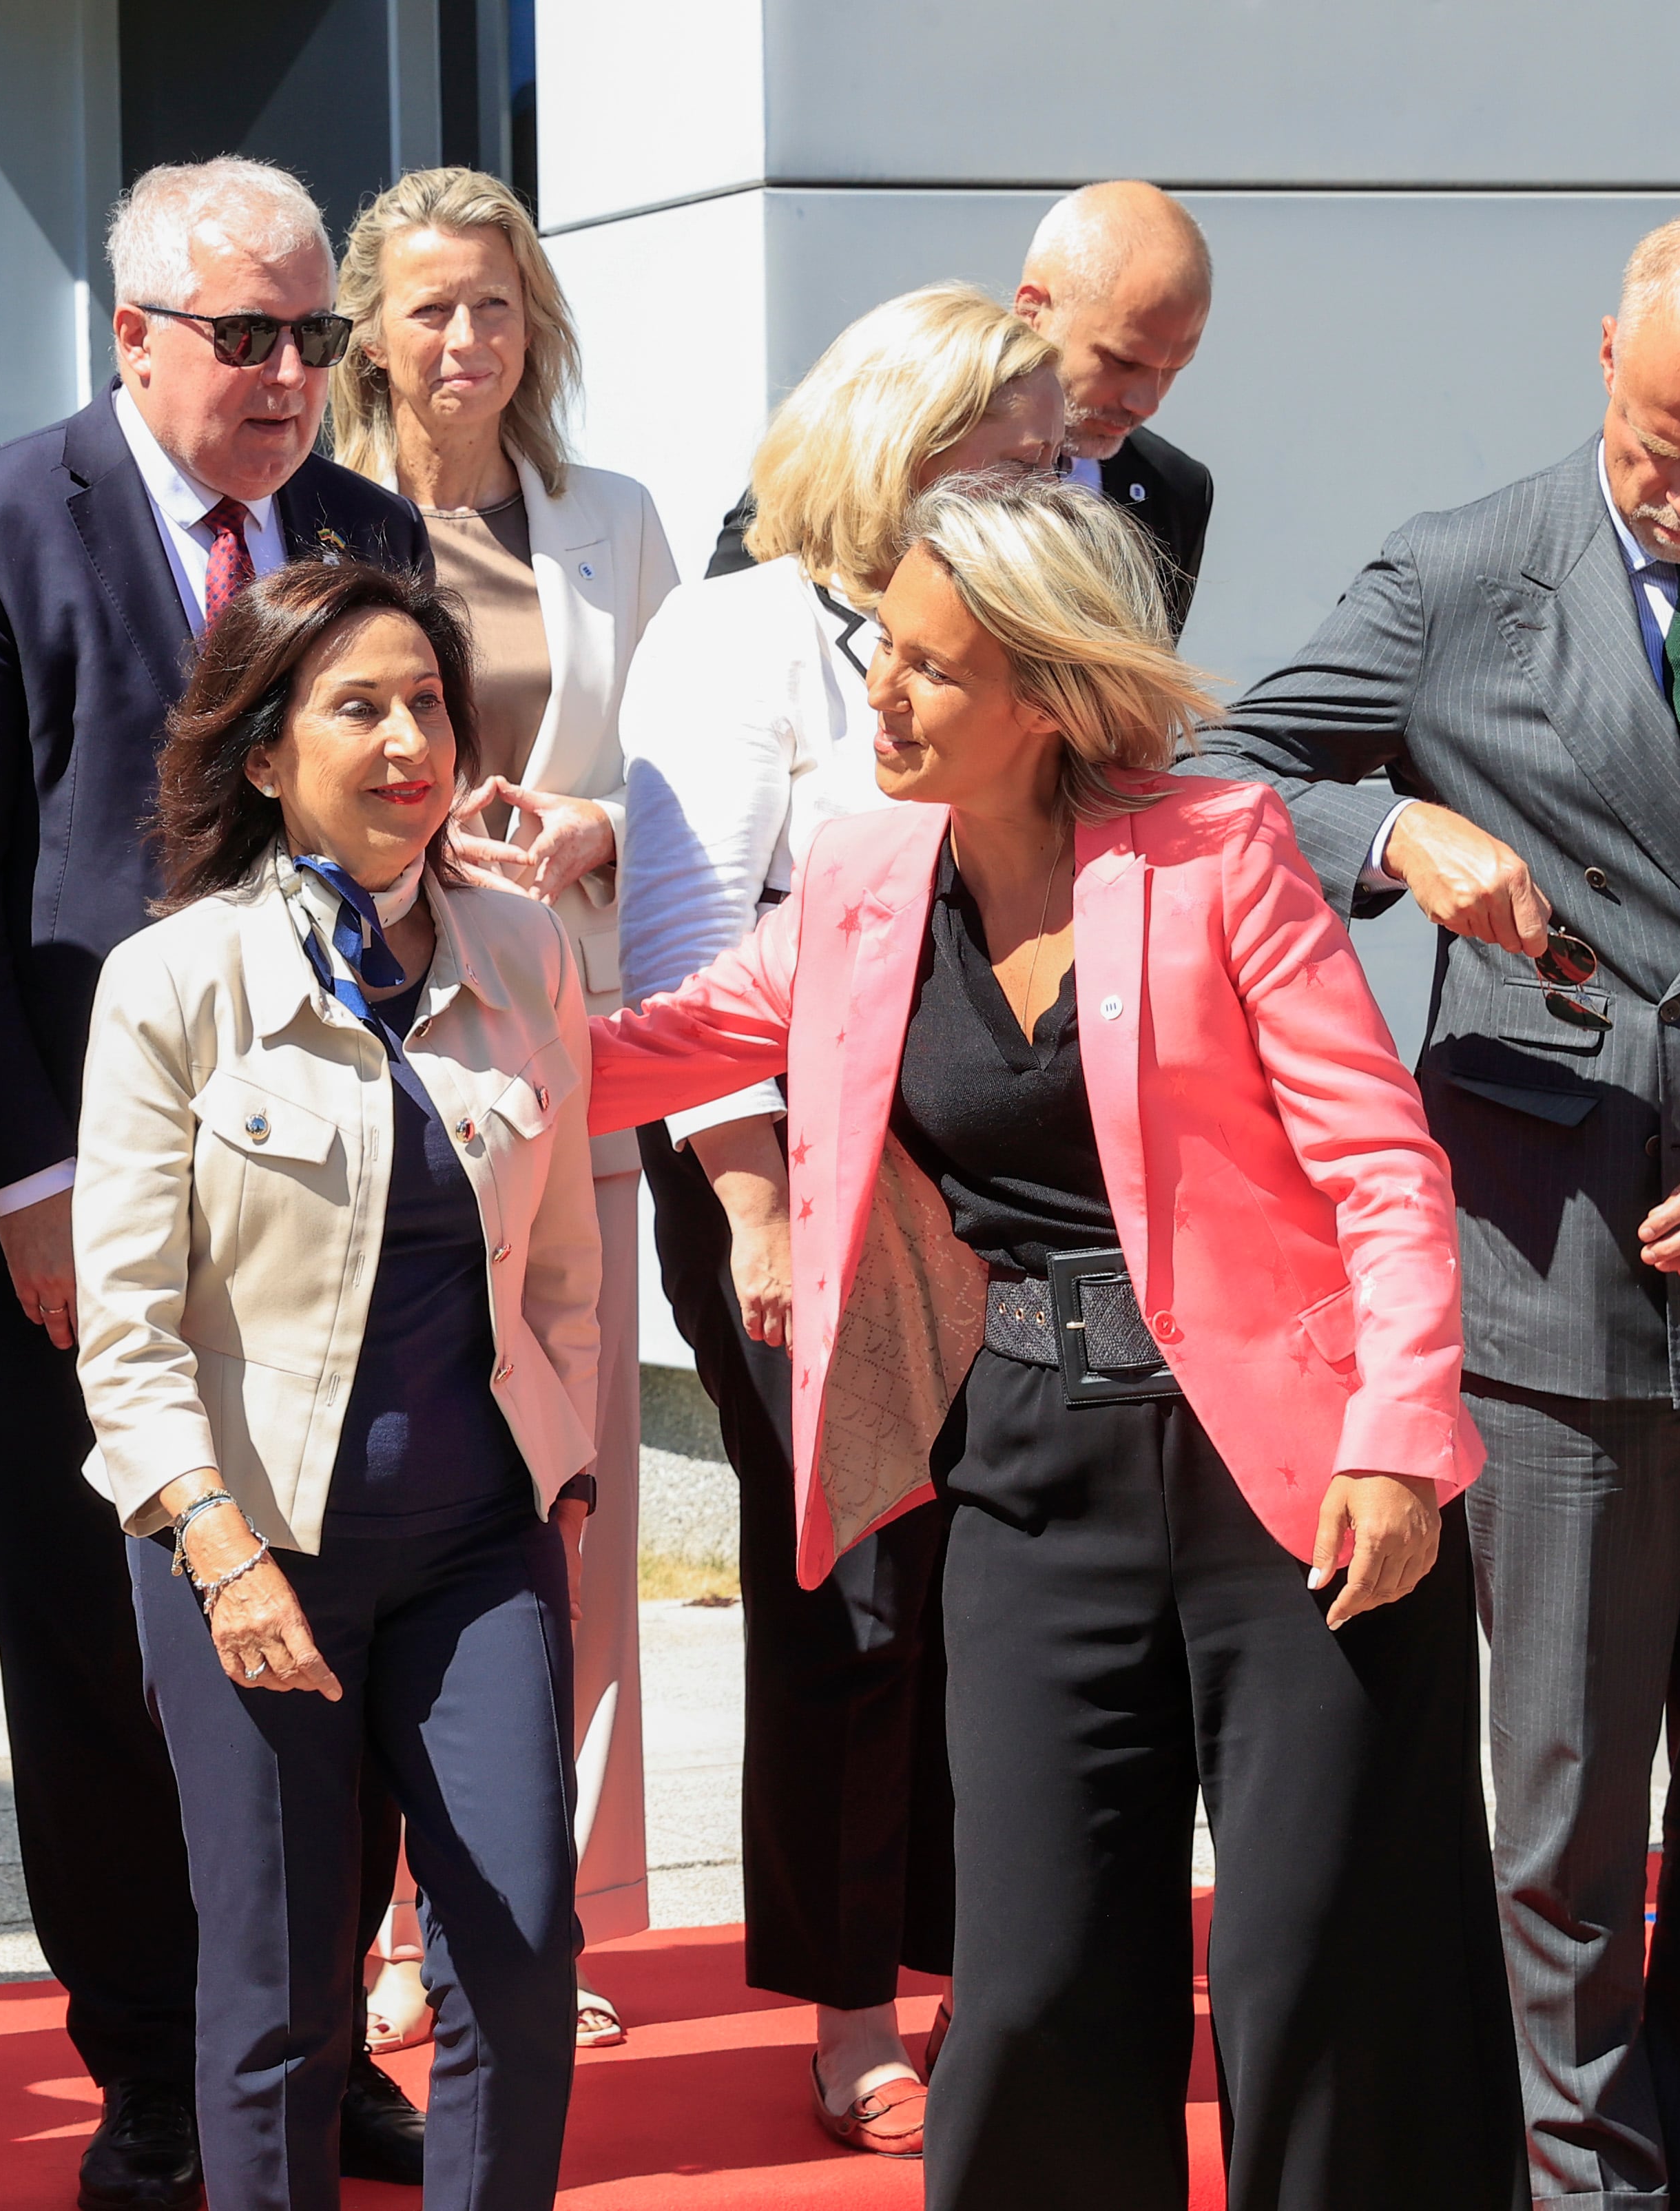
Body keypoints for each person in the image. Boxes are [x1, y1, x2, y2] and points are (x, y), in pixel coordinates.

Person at [598, 469, 1518, 2208]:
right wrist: (441, 1007)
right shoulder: (864, 869)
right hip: (1023, 1467)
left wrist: (1399, 1437)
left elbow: (1381, 1167)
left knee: (1319, 1975)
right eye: (880, 646)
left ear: (1043, 691)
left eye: (931, 668)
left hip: (1294, 1483)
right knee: (1028, 1981)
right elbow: (673, 1039)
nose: (879, 689)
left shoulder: (1216, 852)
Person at [1193, 210, 1680, 2210]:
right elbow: (1210, 772)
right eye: (1648, 437)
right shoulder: (1462, 567)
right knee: (1562, 1821)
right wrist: (1380, 824)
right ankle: (1583, 2190)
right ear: (1597, 357)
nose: (1671, 491)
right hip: (1549, 1266)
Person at [0, 156, 430, 2211]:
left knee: (328, 1606)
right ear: (131, 336)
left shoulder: (363, 537)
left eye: (308, 336)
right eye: (243, 335)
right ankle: (157, 2072)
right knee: (106, 1642)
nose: (285, 373)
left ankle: (297, 2031)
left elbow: (402, 835)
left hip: (329, 1197)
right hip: (75, 1198)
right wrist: (19, 1180)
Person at [75, 558, 597, 2211]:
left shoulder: (525, 955)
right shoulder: (167, 983)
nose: (404, 741)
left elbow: (569, 1273)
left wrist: (566, 1480)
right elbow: (127, 1334)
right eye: (355, 706)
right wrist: (219, 1555)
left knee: (515, 1957)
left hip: (474, 1546)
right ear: (261, 751)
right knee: (276, 2004)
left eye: (426, 703)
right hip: (253, 1550)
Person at [611, 278, 1059, 2155]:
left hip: (1010, 1155)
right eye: (1015, 446)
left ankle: (997, 1980)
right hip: (794, 1157)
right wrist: (752, 1210)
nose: (1052, 477)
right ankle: (851, 2001)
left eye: (1055, 451)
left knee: (1015, 1575)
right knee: (855, 1596)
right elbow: (680, 938)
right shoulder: (728, 634)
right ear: (904, 440)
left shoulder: (1039, 610)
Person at [326, 163, 676, 2053]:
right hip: (360, 1063)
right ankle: (382, 1924)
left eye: (497, 305)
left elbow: (682, 779)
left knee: (569, 1489)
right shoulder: (316, 526)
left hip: (566, 1055)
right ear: (367, 324)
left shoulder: (608, 524)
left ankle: (534, 1898)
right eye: (433, 304)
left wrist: (601, 824)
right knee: (383, 1486)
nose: (466, 340)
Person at [707, 183, 1214, 636]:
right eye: (1121, 360)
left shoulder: (1174, 491)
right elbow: (728, 632)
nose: (1146, 402)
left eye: (1174, 369)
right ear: (1034, 309)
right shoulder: (876, 439)